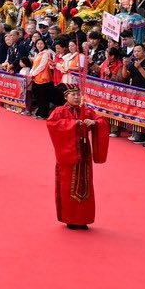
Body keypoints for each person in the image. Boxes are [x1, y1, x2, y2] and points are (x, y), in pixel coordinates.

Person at [47, 84, 109, 229]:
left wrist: (94, 123)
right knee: (67, 183)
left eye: (78, 95)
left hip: (84, 151)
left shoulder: (86, 111)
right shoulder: (59, 111)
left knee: (85, 184)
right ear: (65, 97)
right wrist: (75, 125)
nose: (76, 97)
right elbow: (52, 124)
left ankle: (83, 218)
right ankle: (70, 218)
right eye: (73, 95)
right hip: (67, 153)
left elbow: (102, 121)